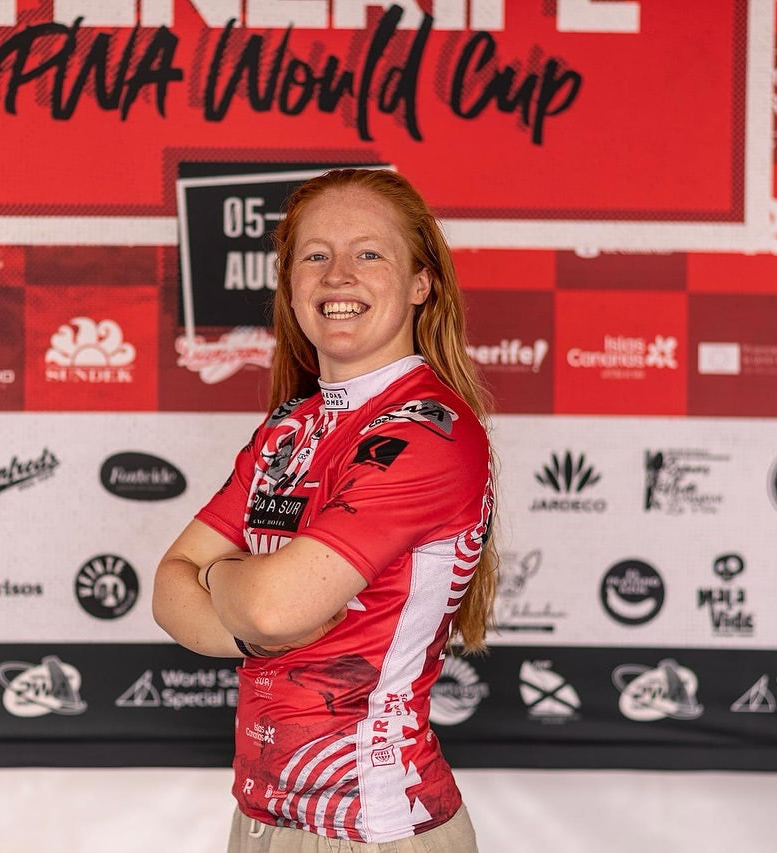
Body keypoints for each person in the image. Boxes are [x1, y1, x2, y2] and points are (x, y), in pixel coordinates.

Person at [152, 168, 497, 852]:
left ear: (421, 283)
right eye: (315, 255)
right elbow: (168, 588)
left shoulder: (431, 433)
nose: (338, 275)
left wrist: (220, 579)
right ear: (289, 286)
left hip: (370, 826)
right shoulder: (289, 427)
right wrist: (253, 631)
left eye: (369, 253)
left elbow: (270, 606)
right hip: (260, 815)